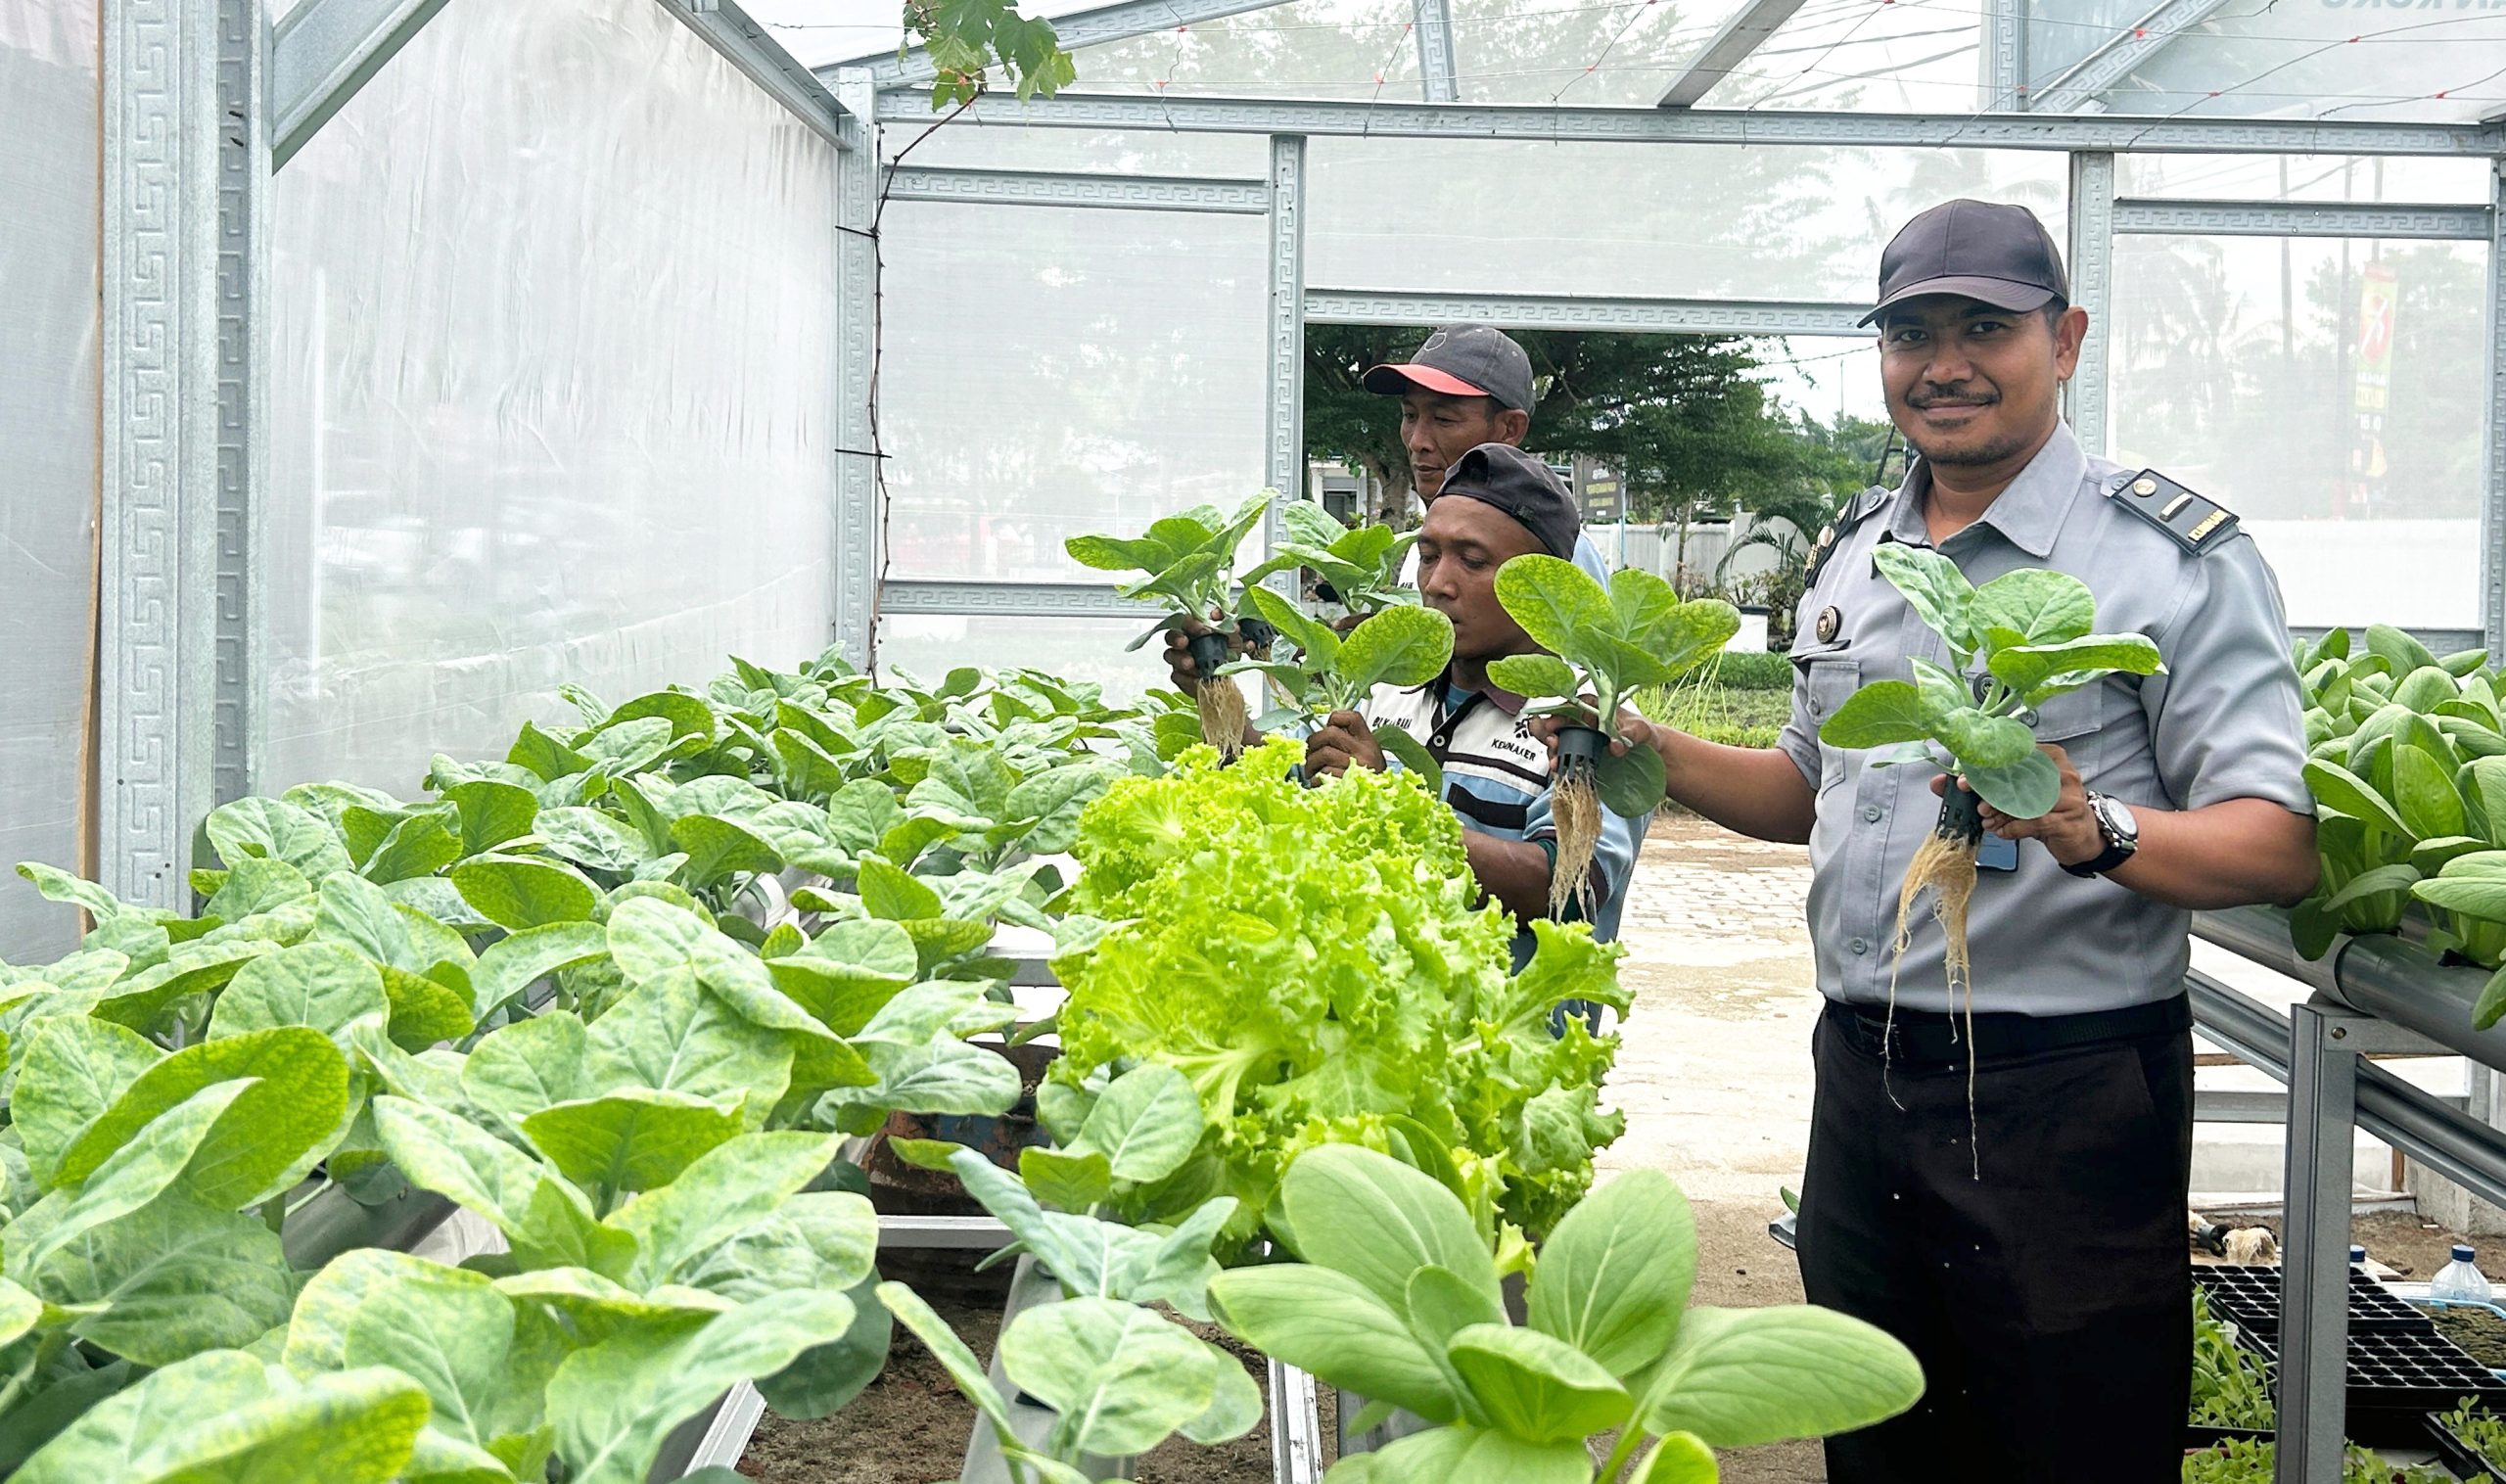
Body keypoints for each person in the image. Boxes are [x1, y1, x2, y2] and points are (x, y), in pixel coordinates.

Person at [1582, 200, 2318, 1480]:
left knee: (2072, 1449)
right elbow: (1805, 787)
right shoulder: (1859, 554)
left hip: (2063, 1091)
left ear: (2065, 340)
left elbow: (2275, 845)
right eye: (1911, 333)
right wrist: (1639, 743)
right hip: (1862, 1076)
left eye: (1985, 327)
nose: (1945, 364)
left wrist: (2095, 826)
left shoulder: (2172, 561)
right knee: (1879, 1438)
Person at [1188, 442, 1645, 985]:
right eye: (1429, 556)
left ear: (1542, 588)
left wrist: (1385, 803)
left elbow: (1566, 890)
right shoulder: (1386, 686)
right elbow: (1298, 809)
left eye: (1472, 561)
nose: (1437, 584)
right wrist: (1220, 701)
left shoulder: (1587, 717)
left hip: (1506, 1029)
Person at [1359, 323, 1614, 585]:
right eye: (1410, 415)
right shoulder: (1422, 547)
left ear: (1510, 428)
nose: (1417, 441)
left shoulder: (1557, 549)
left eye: (1444, 419)